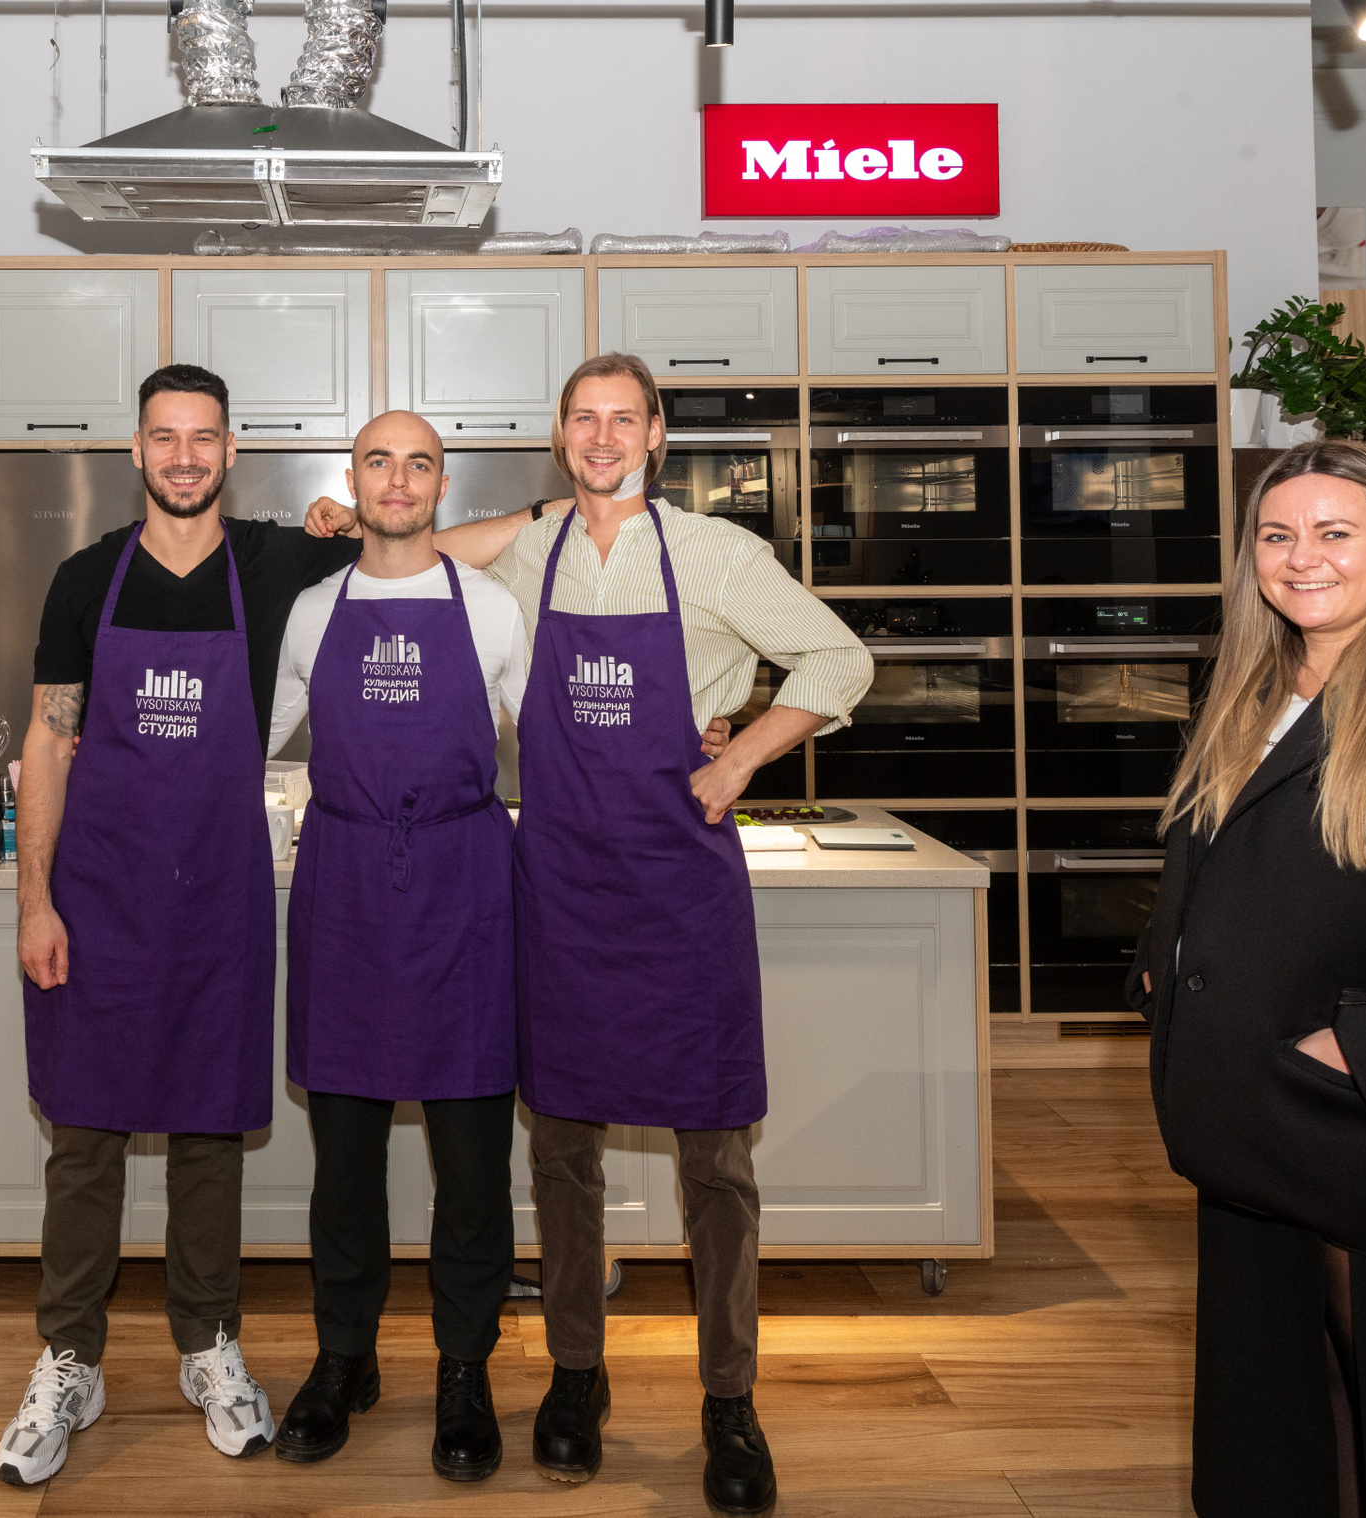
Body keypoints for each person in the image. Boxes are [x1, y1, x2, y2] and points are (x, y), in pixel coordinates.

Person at [307, 352, 872, 1515]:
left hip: (681, 890)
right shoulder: (532, 552)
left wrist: (739, 755)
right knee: (562, 1152)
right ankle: (576, 1375)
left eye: (624, 419)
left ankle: (730, 1400)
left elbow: (840, 658)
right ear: (561, 435)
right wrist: (344, 519)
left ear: (657, 433)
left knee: (717, 1162)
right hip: (559, 888)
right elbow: (415, 548)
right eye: (583, 419)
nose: (604, 437)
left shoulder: (715, 554)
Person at [0, 364, 361, 1487]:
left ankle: (208, 1345)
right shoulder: (85, 578)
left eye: (204, 437)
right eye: (166, 437)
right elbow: (48, 740)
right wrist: (35, 901)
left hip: (216, 901)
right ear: (137, 451)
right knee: (85, 1134)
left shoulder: (272, 564)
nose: (185, 456)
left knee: (210, 1132)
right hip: (98, 895)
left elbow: (417, 540)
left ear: (231, 450)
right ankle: (70, 1359)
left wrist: (355, 518)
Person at [1128, 440, 1366, 1518]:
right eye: (1278, 534)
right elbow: (1221, 852)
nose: (1303, 559)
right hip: (1249, 1119)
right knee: (1284, 1411)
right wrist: (1160, 963)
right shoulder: (1254, 683)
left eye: (1336, 532)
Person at [265, 410, 528, 1481]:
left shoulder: (494, 609)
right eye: (380, 461)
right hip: (346, 889)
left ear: (440, 486)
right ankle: (345, 1357)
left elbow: (555, 746)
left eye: (419, 463)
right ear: (355, 480)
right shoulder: (312, 611)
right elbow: (252, 741)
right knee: (344, 1160)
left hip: (466, 889)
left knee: (472, 1160)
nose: (399, 479)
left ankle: (465, 1367)